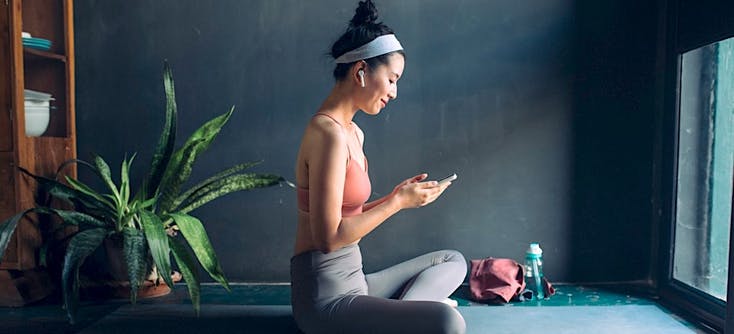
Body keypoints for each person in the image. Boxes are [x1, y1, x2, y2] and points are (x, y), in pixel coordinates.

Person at [290, 1, 467, 333]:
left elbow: (345, 214)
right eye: (391, 79)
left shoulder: (353, 132)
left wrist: (397, 196)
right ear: (361, 72)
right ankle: (411, 315)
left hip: (356, 283)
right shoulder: (327, 134)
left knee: (452, 261)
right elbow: (328, 239)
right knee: (447, 322)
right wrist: (397, 203)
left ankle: (400, 316)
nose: (395, 92)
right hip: (326, 301)